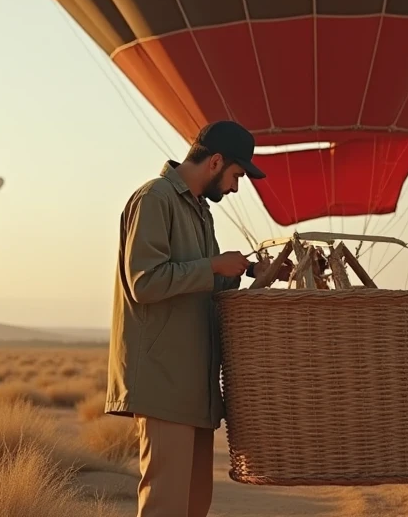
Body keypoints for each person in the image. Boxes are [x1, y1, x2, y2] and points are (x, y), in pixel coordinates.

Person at [105, 120, 293, 517]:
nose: (236, 187)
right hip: (163, 383)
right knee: (165, 507)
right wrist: (213, 265)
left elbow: (206, 291)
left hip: (196, 390)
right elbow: (145, 282)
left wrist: (253, 273)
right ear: (216, 161)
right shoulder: (155, 198)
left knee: (193, 507)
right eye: (237, 176)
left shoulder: (199, 211)